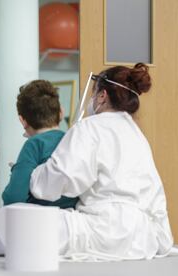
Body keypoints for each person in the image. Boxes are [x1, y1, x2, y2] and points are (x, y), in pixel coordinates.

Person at [30, 63, 173, 260]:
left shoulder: (90, 127)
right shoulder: (139, 137)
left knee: (21, 227)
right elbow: (156, 198)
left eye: (93, 93)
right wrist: (161, 241)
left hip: (103, 232)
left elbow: (60, 179)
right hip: (141, 239)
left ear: (102, 96)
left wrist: (35, 174)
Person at [1, 79, 78, 208]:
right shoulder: (72, 140)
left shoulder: (34, 145)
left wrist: (17, 171)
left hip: (40, 222)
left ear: (22, 121)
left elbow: (13, 198)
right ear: (61, 113)